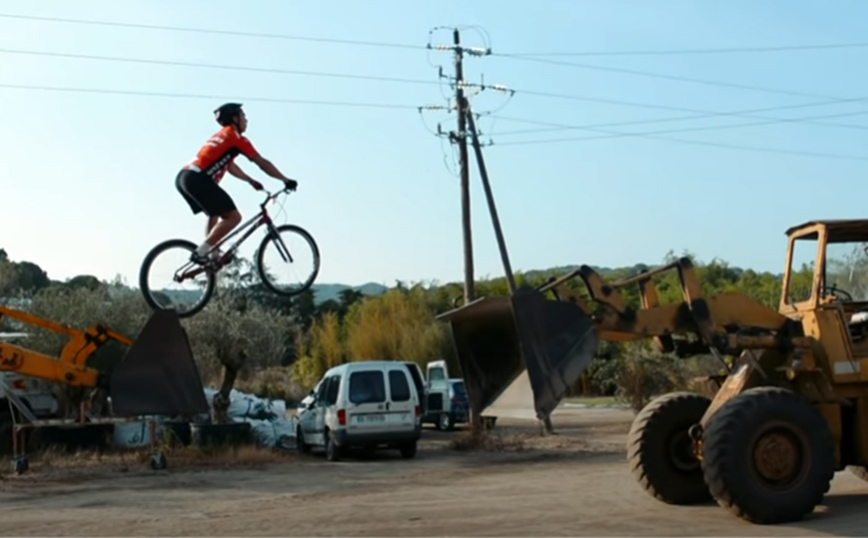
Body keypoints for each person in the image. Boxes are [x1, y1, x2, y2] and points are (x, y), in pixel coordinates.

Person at [175, 102, 298, 263]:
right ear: (235, 118)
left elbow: (229, 165)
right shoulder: (236, 138)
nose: (246, 119)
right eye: (243, 116)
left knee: (215, 213)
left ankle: (212, 254)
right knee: (234, 218)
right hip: (198, 179)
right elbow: (261, 163)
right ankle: (202, 252)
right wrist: (285, 179)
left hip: (184, 177)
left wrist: (249, 180)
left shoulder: (221, 136)